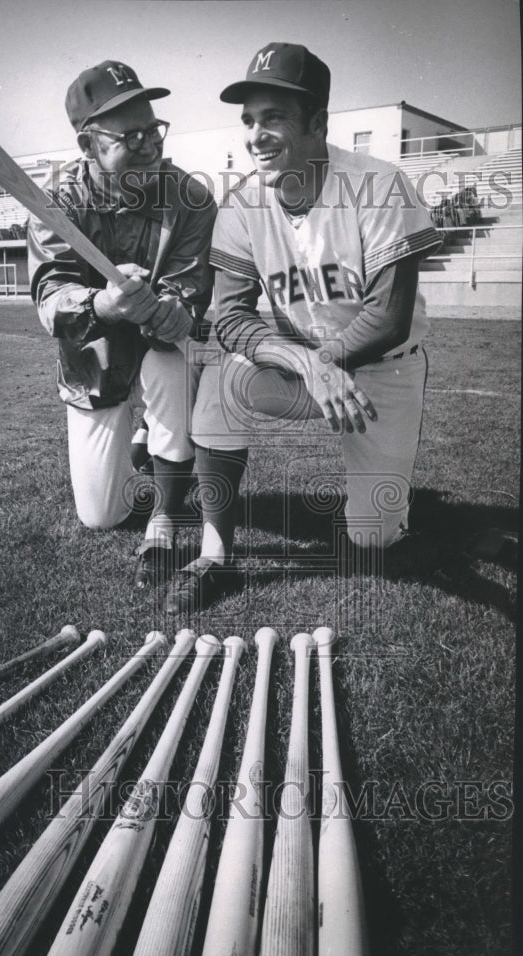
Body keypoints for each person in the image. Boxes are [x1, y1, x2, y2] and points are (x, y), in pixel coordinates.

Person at [164, 42, 444, 614]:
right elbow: (231, 316)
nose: (255, 135)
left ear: (317, 122)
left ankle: (397, 511)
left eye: (274, 118)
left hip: (380, 372)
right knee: (219, 377)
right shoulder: (242, 203)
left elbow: (388, 318)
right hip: (302, 367)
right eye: (248, 120)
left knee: (372, 538)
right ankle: (215, 555)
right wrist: (309, 365)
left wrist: (325, 363)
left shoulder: (380, 184)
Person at [27, 60, 217, 594]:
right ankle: (141, 439)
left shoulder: (191, 197)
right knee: (100, 516)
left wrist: (173, 307)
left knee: (170, 361)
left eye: (152, 129)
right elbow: (51, 300)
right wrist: (106, 305)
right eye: (128, 136)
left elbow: (189, 289)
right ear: (88, 146)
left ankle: (164, 518)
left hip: (163, 345)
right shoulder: (55, 201)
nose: (148, 144)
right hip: (95, 361)